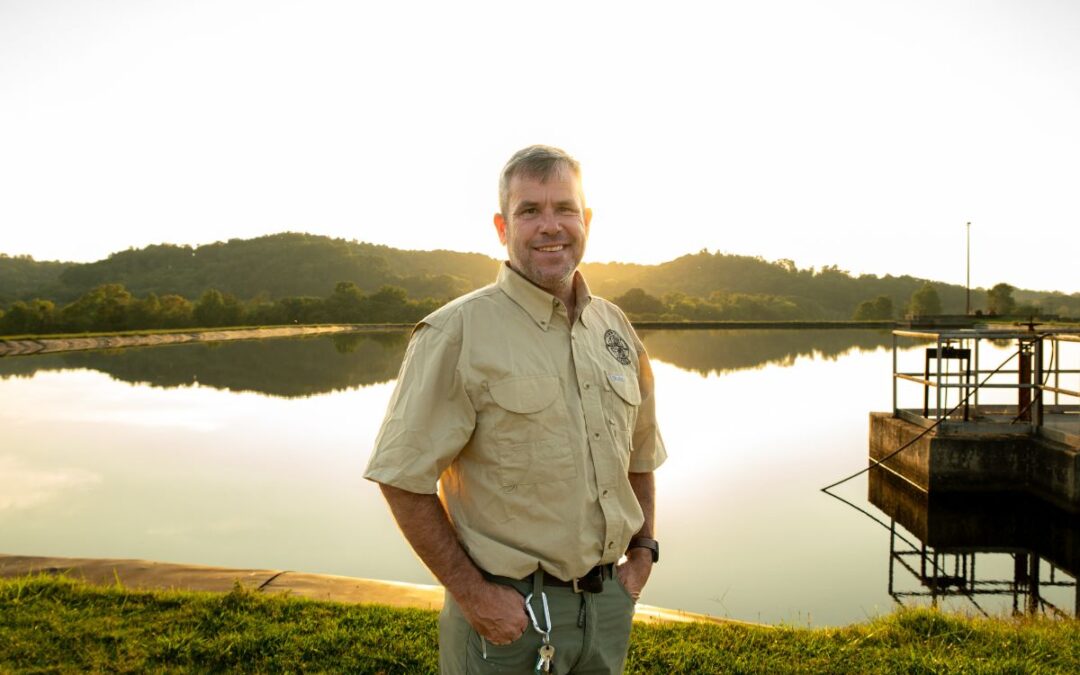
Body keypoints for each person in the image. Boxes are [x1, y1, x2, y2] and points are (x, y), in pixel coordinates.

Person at [365, 145, 666, 674]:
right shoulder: (456, 332)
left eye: (564, 208)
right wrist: (474, 595)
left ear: (586, 219)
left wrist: (642, 553)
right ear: (503, 227)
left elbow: (640, 452)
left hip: (607, 610)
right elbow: (401, 477)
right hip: (509, 619)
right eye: (530, 211)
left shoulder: (614, 327)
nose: (551, 225)